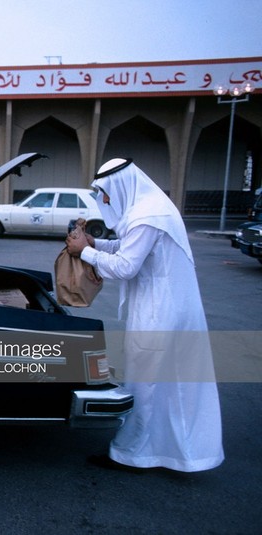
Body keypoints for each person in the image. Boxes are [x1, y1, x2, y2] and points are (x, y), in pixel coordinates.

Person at [66, 158, 224, 473]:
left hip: (160, 313)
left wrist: (83, 251)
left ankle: (130, 454)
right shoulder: (152, 208)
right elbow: (129, 247)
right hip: (167, 308)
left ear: (122, 186)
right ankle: (170, 452)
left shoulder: (148, 215)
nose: (105, 201)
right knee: (168, 386)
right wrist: (97, 243)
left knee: (146, 384)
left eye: (106, 193)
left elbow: (126, 266)